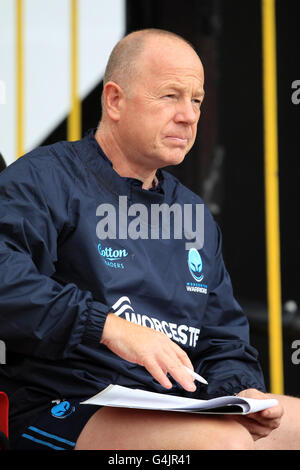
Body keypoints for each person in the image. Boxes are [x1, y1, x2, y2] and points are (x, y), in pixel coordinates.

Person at [0, 28, 298, 450]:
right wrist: (105, 326)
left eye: (196, 100)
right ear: (115, 101)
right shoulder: (46, 178)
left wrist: (241, 390)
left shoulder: (191, 211)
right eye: (170, 96)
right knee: (223, 445)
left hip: (175, 406)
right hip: (64, 403)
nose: (189, 115)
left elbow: (224, 336)